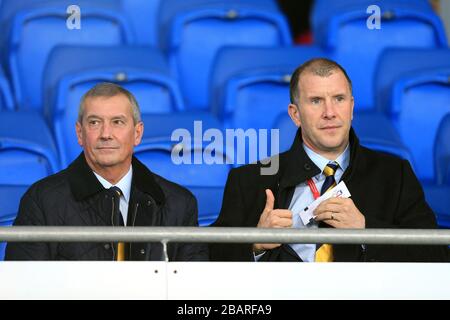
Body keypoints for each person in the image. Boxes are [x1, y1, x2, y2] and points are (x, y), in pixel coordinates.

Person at [210, 58, 448, 262]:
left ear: (352, 108)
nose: (330, 112)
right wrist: (255, 244)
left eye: (339, 99)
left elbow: (435, 256)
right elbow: (206, 259)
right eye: (316, 101)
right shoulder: (249, 180)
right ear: (295, 114)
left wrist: (367, 230)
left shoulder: (395, 174)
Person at [6, 83, 208, 261]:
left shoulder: (179, 204)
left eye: (117, 122)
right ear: (79, 133)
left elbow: (193, 293)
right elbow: (23, 289)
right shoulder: (42, 201)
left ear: (137, 133)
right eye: (94, 122)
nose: (106, 134)